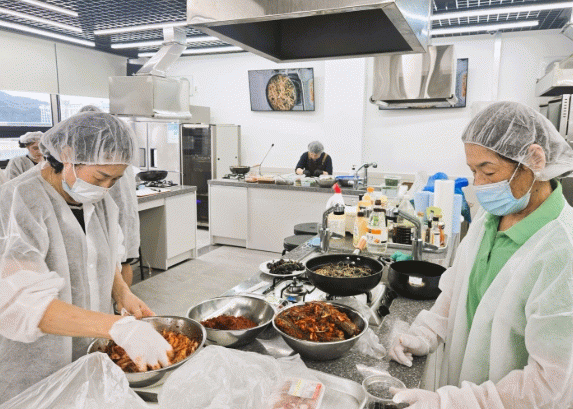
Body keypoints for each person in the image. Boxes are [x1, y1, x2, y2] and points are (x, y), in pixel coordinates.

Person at [388, 101, 573, 408]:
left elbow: (548, 381)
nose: (479, 184)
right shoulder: (490, 216)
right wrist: (426, 332)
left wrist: (453, 403)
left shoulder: (562, 250)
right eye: (473, 171)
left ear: (535, 160)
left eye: (488, 171)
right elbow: (458, 288)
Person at [0, 112, 172, 403]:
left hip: (88, 353)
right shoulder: (17, 202)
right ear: (67, 155)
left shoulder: (97, 200)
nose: (105, 188)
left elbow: (102, 255)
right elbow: (21, 303)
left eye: (115, 180)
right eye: (101, 177)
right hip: (33, 367)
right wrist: (118, 327)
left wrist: (121, 292)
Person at [76, 105, 140, 286]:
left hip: (117, 211)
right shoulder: (115, 146)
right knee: (117, 261)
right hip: (120, 210)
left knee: (121, 261)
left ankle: (121, 299)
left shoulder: (105, 152)